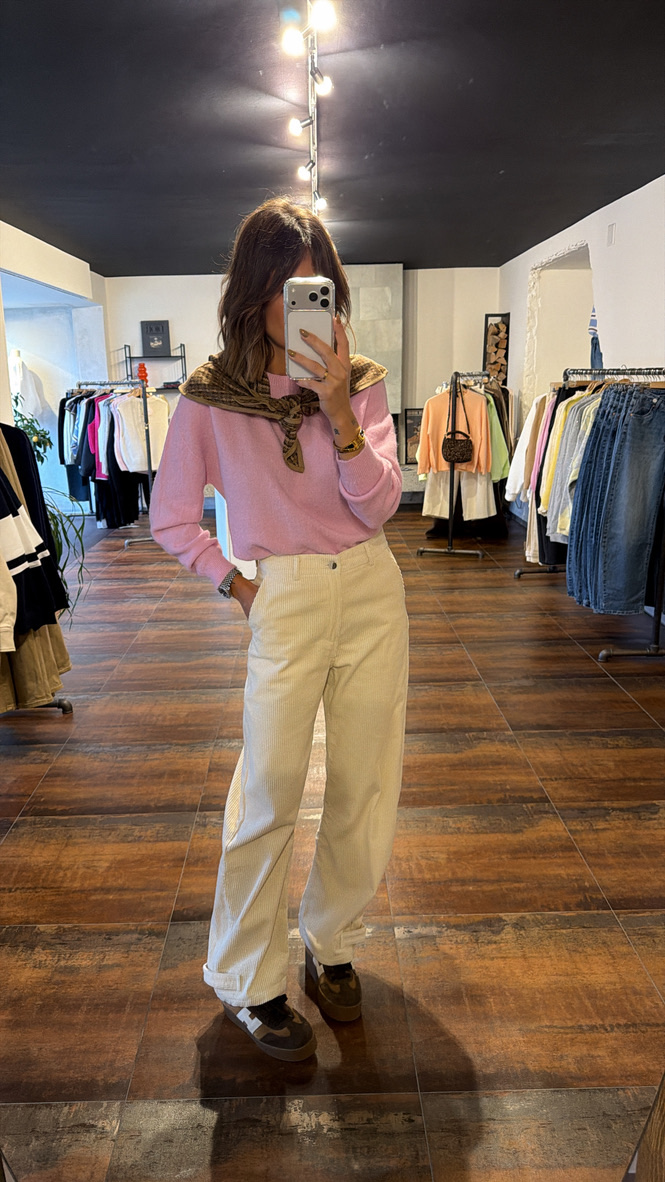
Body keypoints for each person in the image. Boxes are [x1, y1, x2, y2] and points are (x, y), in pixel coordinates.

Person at [150, 197, 409, 1062]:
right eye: (286, 288)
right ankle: (247, 979)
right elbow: (170, 517)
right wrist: (236, 584)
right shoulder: (210, 395)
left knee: (365, 780)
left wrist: (339, 410)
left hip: (369, 586)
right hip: (284, 594)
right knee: (267, 790)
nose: (303, 303)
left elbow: (377, 506)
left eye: (316, 288)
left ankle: (330, 941)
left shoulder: (358, 380)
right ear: (252, 292)